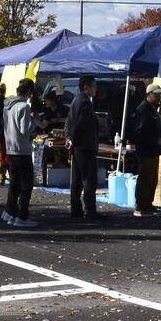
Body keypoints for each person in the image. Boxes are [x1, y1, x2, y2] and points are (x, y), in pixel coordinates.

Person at [2, 78, 40, 227]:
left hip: (11, 148)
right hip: (22, 150)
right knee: (26, 185)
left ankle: (10, 212)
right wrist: (35, 122)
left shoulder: (7, 105)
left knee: (15, 184)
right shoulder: (24, 107)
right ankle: (22, 216)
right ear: (29, 91)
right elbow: (25, 129)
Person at [128, 86, 161, 217]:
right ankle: (140, 206)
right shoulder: (143, 109)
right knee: (145, 178)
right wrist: (155, 140)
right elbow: (139, 132)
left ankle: (148, 204)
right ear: (149, 94)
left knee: (152, 179)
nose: (159, 97)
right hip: (146, 151)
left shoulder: (152, 108)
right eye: (156, 95)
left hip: (153, 151)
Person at [67, 76, 100, 218]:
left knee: (76, 180)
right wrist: (73, 139)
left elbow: (69, 121)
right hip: (85, 146)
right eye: (94, 86)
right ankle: (90, 210)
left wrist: (70, 139)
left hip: (78, 146)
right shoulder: (85, 102)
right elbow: (80, 125)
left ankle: (76, 209)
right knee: (88, 180)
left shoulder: (76, 100)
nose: (95, 89)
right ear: (86, 87)